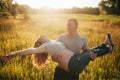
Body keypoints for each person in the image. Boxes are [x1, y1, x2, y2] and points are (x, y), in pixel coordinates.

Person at [0, 33, 114, 77]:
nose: (42, 34)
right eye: (40, 37)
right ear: (40, 43)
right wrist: (12, 54)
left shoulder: (55, 42)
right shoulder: (45, 46)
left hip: (74, 62)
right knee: (89, 53)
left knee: (88, 52)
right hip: (73, 64)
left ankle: (105, 45)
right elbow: (30, 50)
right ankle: (108, 49)